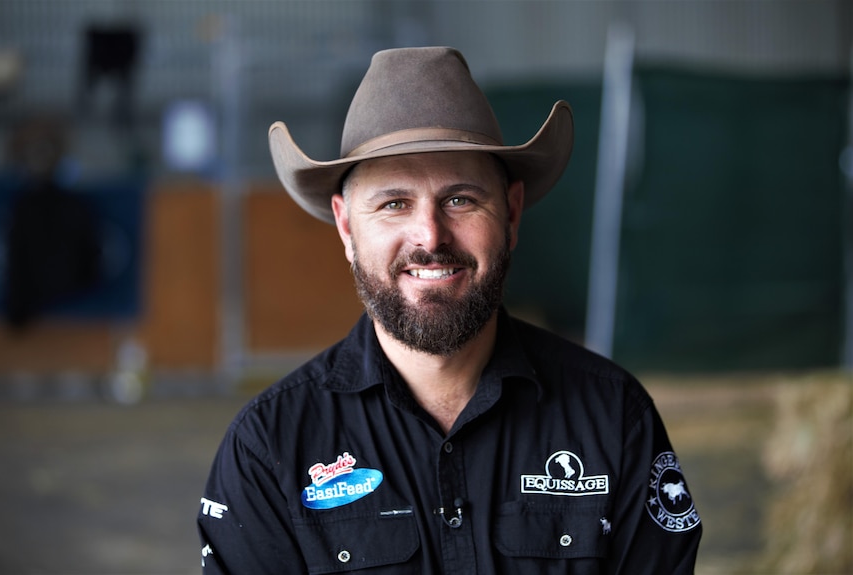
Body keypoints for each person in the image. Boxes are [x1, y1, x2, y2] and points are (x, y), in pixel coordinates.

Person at [197, 46, 702, 574]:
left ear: (510, 213)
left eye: (460, 199)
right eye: (394, 203)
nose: (430, 236)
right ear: (347, 227)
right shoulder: (268, 448)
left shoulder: (613, 417)